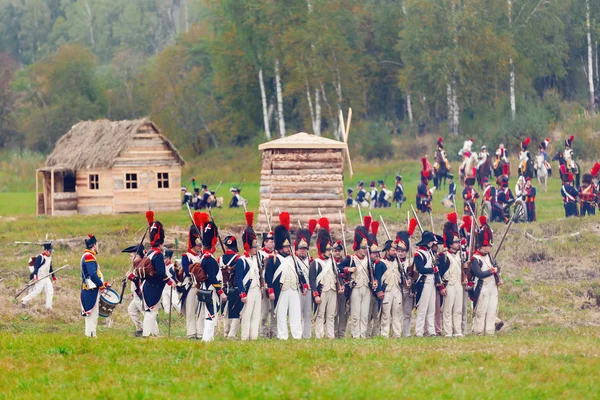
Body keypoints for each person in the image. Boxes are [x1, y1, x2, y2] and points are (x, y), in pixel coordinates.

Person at [129, 211, 174, 337]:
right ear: (161, 242)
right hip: (154, 286)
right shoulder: (158, 255)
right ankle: (147, 334)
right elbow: (160, 272)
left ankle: (153, 334)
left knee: (150, 311)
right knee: (151, 312)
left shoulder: (149, 253)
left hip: (147, 285)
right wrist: (169, 281)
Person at [265, 212, 308, 340]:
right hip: (281, 290)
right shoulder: (273, 260)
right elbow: (268, 276)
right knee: (281, 314)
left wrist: (304, 284)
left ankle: (296, 335)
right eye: (285, 247)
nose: (287, 249)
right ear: (279, 247)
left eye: (288, 246)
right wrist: (271, 290)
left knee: (295, 313)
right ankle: (282, 335)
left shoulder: (293, 259)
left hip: (293, 289)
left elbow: (299, 272)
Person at [343, 216, 378, 338]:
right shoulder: (350, 259)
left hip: (366, 289)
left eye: (366, 248)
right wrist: (348, 269)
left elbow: (374, 273)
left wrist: (375, 281)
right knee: (356, 314)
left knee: (365, 314)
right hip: (355, 288)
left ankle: (363, 334)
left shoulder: (369, 260)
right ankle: (355, 334)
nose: (364, 250)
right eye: (363, 248)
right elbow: (339, 269)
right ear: (358, 247)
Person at [197, 217, 227, 342]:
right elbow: (213, 277)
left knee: (209, 314)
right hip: (211, 290)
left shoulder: (205, 256)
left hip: (206, 288)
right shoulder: (209, 258)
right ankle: (207, 338)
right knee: (211, 314)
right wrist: (221, 292)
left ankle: (208, 337)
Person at [309, 218, 339, 339]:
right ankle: (319, 335)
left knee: (331, 315)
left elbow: (337, 275)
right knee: (320, 315)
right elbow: (312, 280)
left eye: (331, 249)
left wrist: (339, 286)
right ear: (322, 249)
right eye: (328, 250)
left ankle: (330, 335)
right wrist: (316, 294)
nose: (330, 252)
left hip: (332, 290)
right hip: (322, 291)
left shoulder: (333, 262)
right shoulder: (315, 263)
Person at [470, 220, 501, 335]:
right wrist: (491, 271)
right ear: (482, 246)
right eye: (488, 245)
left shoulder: (491, 257)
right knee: (481, 311)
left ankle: (489, 331)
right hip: (482, 286)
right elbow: (479, 274)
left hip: (492, 286)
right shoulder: (475, 259)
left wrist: (498, 275)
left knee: (492, 310)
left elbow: (497, 267)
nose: (490, 247)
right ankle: (478, 331)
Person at [236, 212, 262, 341]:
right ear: (248, 247)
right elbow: (238, 278)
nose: (256, 249)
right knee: (246, 315)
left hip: (257, 289)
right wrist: (242, 293)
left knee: (256, 315)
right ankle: (245, 337)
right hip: (248, 290)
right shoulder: (242, 260)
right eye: (253, 247)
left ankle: (254, 336)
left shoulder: (256, 259)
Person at [438, 213, 465, 337]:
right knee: (447, 310)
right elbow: (439, 274)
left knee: (458, 310)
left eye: (458, 242)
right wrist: (441, 287)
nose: (458, 244)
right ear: (450, 243)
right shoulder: (443, 256)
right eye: (456, 242)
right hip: (448, 285)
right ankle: (448, 332)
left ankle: (457, 331)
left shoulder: (461, 256)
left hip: (459, 284)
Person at [413, 230, 444, 337]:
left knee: (432, 309)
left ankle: (431, 331)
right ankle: (419, 332)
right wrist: (433, 269)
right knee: (423, 308)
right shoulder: (418, 254)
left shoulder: (429, 252)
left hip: (431, 282)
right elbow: (421, 269)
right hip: (424, 281)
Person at [180, 212, 206, 339]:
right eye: (198, 245)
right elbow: (187, 271)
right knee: (190, 312)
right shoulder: (186, 256)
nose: (200, 247)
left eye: (201, 245)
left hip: (201, 286)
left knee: (200, 312)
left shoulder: (202, 256)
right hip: (191, 286)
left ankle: (200, 332)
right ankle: (191, 333)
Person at [80, 234, 109, 337]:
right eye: (97, 244)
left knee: (92, 314)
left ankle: (90, 334)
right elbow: (92, 274)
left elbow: (94, 274)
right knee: (92, 314)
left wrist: (103, 283)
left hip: (91, 288)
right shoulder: (89, 256)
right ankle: (91, 335)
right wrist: (101, 285)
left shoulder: (89, 256)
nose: (98, 247)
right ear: (94, 245)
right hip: (90, 289)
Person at [375, 238, 403, 338]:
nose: (395, 252)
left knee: (397, 313)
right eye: (393, 250)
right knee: (385, 315)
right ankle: (384, 334)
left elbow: (402, 276)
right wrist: (379, 291)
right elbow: (377, 278)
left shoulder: (398, 263)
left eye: (396, 250)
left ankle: (397, 334)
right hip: (386, 291)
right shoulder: (380, 263)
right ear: (387, 251)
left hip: (397, 290)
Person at [294, 220, 316, 339]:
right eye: (301, 248)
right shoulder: (293, 261)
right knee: (297, 314)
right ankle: (298, 335)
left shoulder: (311, 261)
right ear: (297, 249)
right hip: (298, 290)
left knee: (307, 314)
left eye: (305, 248)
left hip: (309, 290)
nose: (303, 250)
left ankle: (306, 335)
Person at [22, 242, 56, 310]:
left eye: (51, 251)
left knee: (50, 291)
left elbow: (50, 268)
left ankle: (48, 306)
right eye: (49, 251)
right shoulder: (40, 257)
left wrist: (54, 277)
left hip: (46, 277)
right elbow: (36, 268)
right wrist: (35, 277)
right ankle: (24, 300)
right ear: (46, 250)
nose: (51, 252)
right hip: (40, 277)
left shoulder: (49, 258)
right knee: (37, 291)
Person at [219, 235, 241, 339]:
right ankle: (232, 334)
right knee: (235, 311)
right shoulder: (238, 258)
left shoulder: (220, 258)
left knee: (225, 311)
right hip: (234, 287)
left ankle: (226, 333)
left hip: (223, 287)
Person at [122, 244, 146, 337]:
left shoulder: (142, 265)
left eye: (131, 256)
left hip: (140, 294)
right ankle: (141, 329)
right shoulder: (137, 265)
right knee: (131, 310)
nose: (130, 258)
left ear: (138, 256)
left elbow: (141, 280)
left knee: (146, 314)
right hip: (136, 294)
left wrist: (131, 277)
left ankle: (152, 331)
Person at [398, 221, 417, 337]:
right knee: (396, 313)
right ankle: (397, 332)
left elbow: (415, 275)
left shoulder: (410, 262)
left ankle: (406, 333)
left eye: (403, 251)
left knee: (407, 313)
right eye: (399, 251)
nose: (400, 253)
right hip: (398, 289)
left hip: (408, 290)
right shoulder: (394, 262)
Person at [259, 231, 277, 338]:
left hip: (274, 286)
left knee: (274, 312)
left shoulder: (277, 254)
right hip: (264, 286)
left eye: (274, 242)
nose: (273, 244)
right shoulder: (259, 254)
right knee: (264, 312)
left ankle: (274, 333)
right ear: (265, 242)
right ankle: (263, 334)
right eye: (271, 241)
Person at [367, 224, 382, 337]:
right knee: (367, 315)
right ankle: (366, 334)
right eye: (374, 253)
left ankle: (375, 334)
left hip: (378, 293)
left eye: (377, 252)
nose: (376, 254)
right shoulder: (367, 264)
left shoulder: (380, 264)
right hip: (367, 292)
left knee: (377, 315)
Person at [333, 240, 351, 338]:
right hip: (334, 291)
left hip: (345, 291)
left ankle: (341, 334)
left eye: (339, 250)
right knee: (334, 313)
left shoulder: (346, 261)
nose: (338, 252)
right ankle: (334, 334)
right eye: (335, 251)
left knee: (344, 314)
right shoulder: (331, 262)